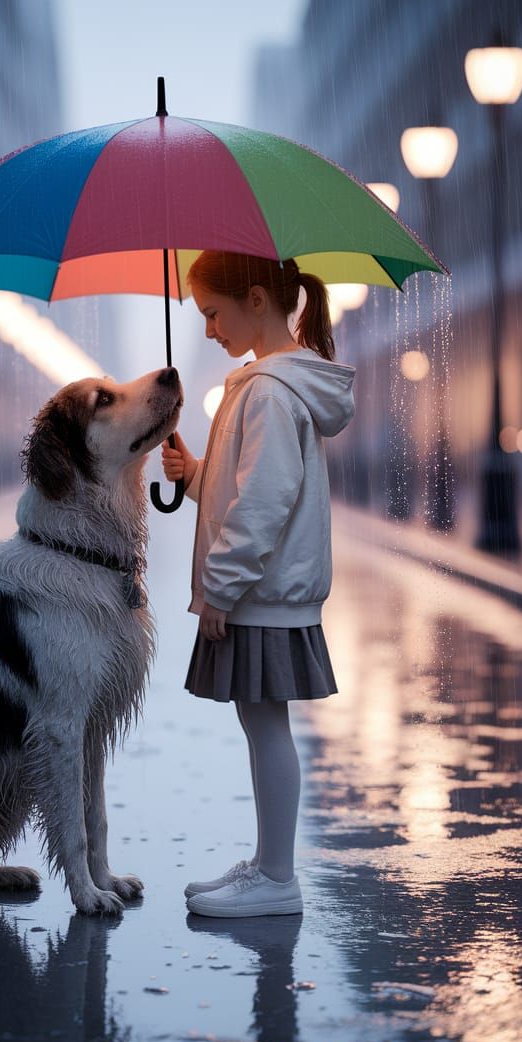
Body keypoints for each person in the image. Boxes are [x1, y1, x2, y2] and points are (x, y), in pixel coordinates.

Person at [161, 250, 356, 918]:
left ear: (256, 300)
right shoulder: (266, 385)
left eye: (213, 313)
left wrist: (221, 586)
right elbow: (240, 488)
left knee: (267, 726)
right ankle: (269, 865)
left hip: (263, 593)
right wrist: (194, 473)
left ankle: (277, 877)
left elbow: (265, 503)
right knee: (260, 722)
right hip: (266, 591)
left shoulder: (271, 391)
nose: (210, 329)